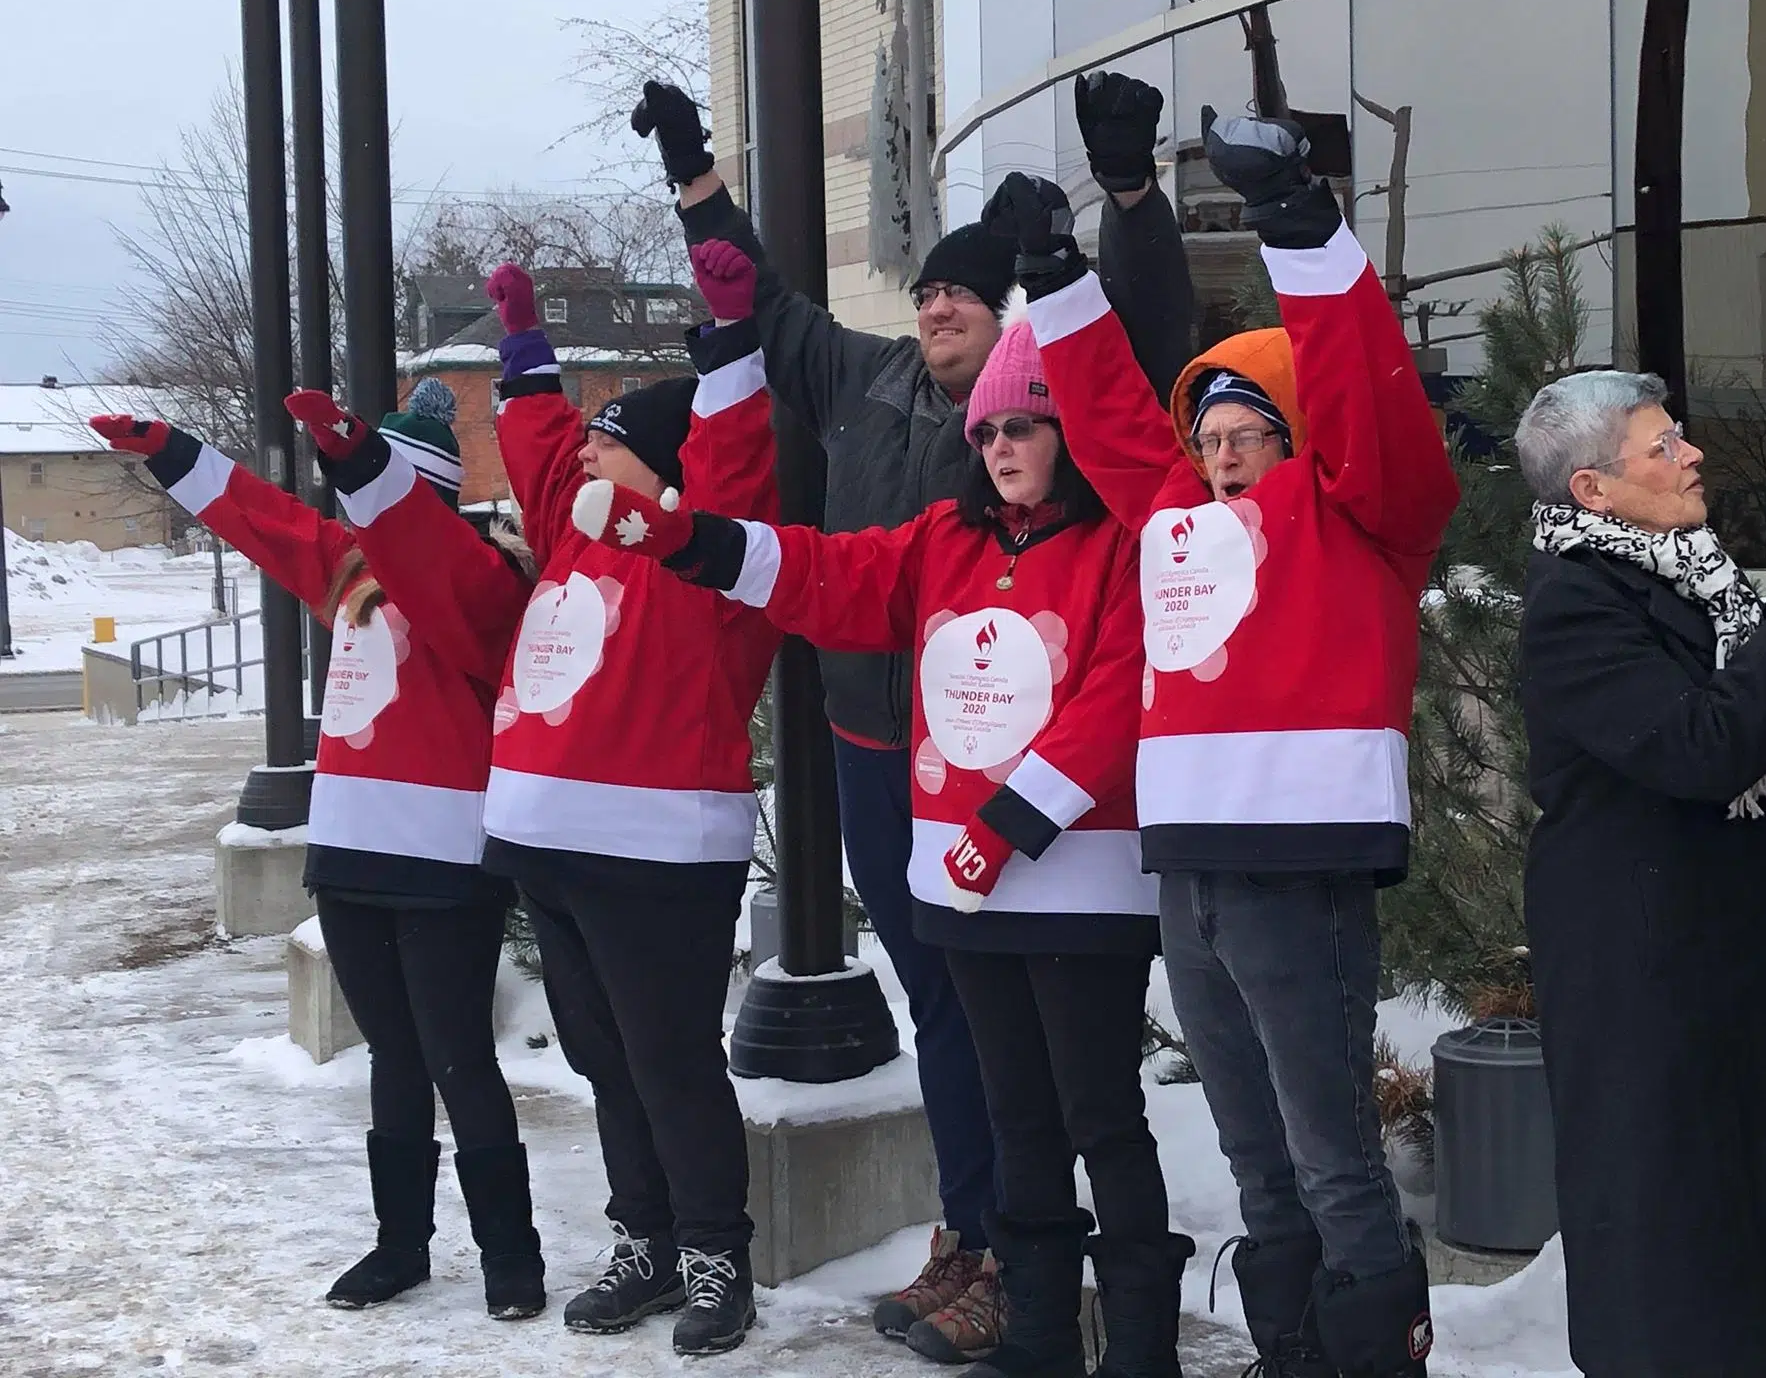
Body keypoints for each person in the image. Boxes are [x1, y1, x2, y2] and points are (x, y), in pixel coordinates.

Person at [632, 69, 1197, 1355]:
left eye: (963, 288)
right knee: (953, 1012)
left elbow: (1135, 361)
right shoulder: (870, 384)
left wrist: (1122, 207)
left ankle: (1010, 1251)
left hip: (1037, 798)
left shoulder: (1064, 449)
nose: (936, 301)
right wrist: (695, 181)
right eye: (926, 287)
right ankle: (979, 1233)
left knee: (1056, 1069)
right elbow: (762, 310)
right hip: (885, 757)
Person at [1000, 106, 1459, 1378]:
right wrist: (1053, 275)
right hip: (1189, 868)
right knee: (1255, 1162)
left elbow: (1367, 395)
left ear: (1298, 443)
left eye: (1242, 437)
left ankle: (1372, 1356)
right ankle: (1290, 1354)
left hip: (1298, 868)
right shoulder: (1173, 515)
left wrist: (1299, 226)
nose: (1212, 461)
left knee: (1330, 1158)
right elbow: (1104, 418)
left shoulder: (1362, 514)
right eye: (1203, 441)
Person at [91, 386, 546, 1321]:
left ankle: (512, 1255)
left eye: (372, 495)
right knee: (392, 1057)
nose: (354, 520)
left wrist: (356, 457)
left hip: (444, 866)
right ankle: (400, 1247)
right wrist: (174, 449)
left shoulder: (483, 588)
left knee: (460, 1061)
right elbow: (262, 518)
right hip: (349, 857)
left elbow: (427, 554)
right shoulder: (347, 575)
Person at [1512, 369, 1766, 1377]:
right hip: (1636, 957)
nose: (1688, 454)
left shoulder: (1686, 572)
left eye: (1677, 436)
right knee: (1661, 1208)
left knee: (1750, 1192)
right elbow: (1702, 742)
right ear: (1591, 489)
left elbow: (1763, 694)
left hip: (1735, 949)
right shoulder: (1571, 603)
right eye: (1659, 445)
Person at [479, 254, 781, 1355]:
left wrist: (732, 333)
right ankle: (645, 1242)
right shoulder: (572, 536)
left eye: (612, 443)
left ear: (665, 470)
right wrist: (522, 347)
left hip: (655, 850)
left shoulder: (709, 557)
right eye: (592, 442)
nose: (587, 457)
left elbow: (739, 460)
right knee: (605, 1060)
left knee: (667, 1061)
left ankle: (714, 1260)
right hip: (548, 842)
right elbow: (537, 450)